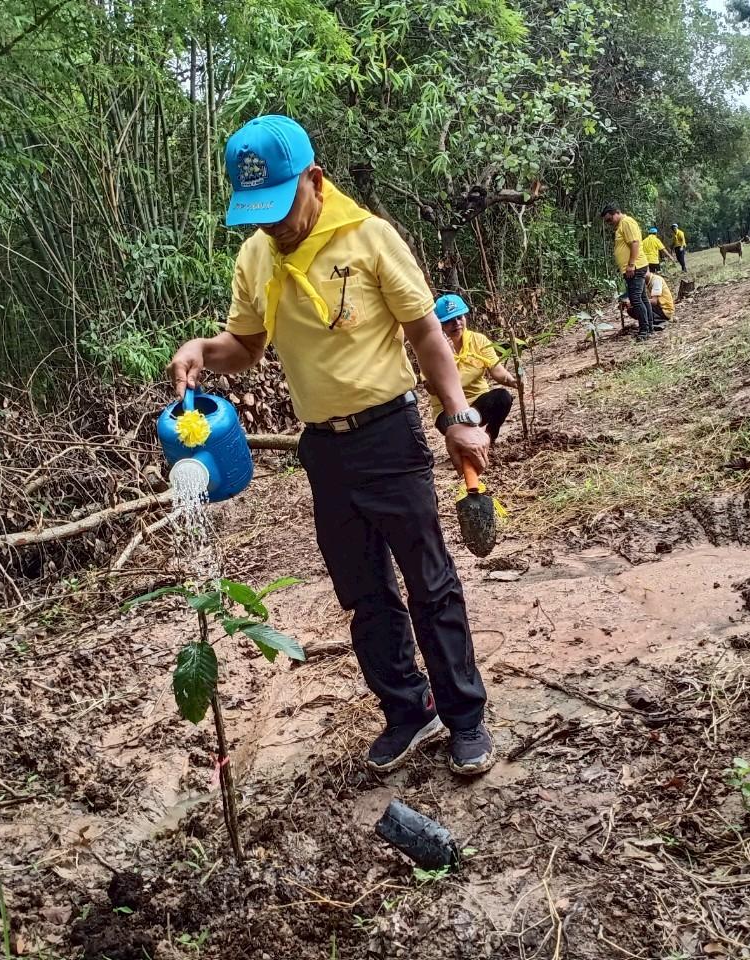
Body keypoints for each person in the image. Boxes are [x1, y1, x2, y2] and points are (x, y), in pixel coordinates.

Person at [167, 115, 496, 776]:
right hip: (323, 447)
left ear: (314, 180)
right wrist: (203, 349)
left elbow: (427, 334)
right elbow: (247, 346)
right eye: (257, 212)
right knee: (362, 590)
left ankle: (465, 718)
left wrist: (457, 408)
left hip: (389, 433)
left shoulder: (369, 239)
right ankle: (408, 711)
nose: (272, 225)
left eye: (281, 206)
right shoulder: (257, 256)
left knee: (429, 582)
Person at [425, 294, 519, 442]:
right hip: (449, 411)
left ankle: (489, 438)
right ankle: (466, 440)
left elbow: (497, 371)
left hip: (479, 403)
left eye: (459, 317)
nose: (456, 323)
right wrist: (447, 357)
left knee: (502, 397)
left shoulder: (478, 340)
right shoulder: (431, 350)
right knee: (462, 421)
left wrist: (514, 381)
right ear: (440, 325)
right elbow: (432, 388)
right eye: (449, 321)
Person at [601, 203, 655, 340]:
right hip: (634, 268)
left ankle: (644, 331)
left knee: (636, 300)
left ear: (616, 213)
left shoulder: (626, 222)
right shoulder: (621, 225)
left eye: (609, 219)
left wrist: (631, 264)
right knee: (642, 298)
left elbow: (635, 243)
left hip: (635, 268)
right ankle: (649, 327)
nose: (609, 223)